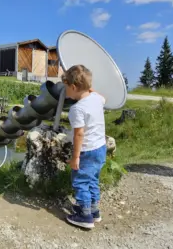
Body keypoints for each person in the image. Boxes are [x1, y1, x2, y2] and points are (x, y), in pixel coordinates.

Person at [61, 64, 107, 229]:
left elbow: (79, 134)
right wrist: (88, 88)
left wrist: (75, 157)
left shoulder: (76, 109)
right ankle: (94, 211)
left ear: (73, 87)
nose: (65, 91)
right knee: (93, 179)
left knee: (80, 181)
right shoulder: (96, 99)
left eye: (66, 88)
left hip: (86, 151)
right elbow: (103, 98)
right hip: (101, 148)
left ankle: (84, 216)